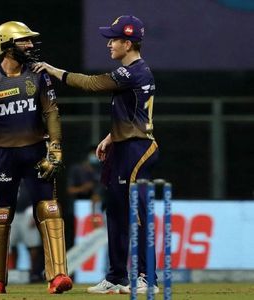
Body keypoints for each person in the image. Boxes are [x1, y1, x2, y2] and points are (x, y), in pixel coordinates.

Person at [33, 15, 159, 295]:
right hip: (124, 145)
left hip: (138, 149)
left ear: (128, 43)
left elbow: (90, 84)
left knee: (135, 213)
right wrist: (110, 137)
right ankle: (117, 277)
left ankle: (146, 276)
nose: (109, 45)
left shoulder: (134, 72)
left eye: (113, 40)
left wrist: (53, 70)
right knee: (114, 212)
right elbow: (132, 114)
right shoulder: (131, 74)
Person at [0, 21, 73, 294]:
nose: (31, 46)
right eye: (24, 41)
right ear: (7, 46)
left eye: (31, 41)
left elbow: (51, 112)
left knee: (49, 209)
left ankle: (58, 276)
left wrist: (55, 147)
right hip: (4, 155)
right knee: (0, 214)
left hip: (36, 152)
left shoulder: (38, 74)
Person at [9, 180, 44, 283]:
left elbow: (39, 195)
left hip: (28, 211)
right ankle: (13, 272)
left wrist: (36, 213)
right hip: (12, 212)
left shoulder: (30, 177)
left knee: (33, 244)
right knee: (11, 244)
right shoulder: (9, 176)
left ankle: (34, 273)